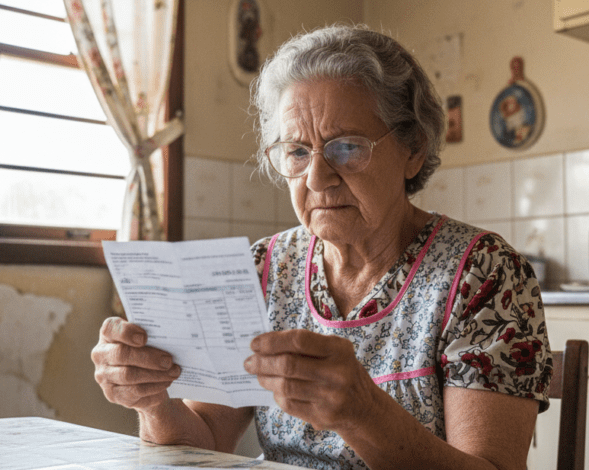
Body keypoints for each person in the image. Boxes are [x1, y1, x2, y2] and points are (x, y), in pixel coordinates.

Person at [92, 24, 552, 470]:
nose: (316, 178)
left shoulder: (485, 272)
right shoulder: (264, 268)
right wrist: (152, 402)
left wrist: (363, 413)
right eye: (296, 152)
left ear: (413, 148)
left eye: (347, 147)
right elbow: (207, 440)